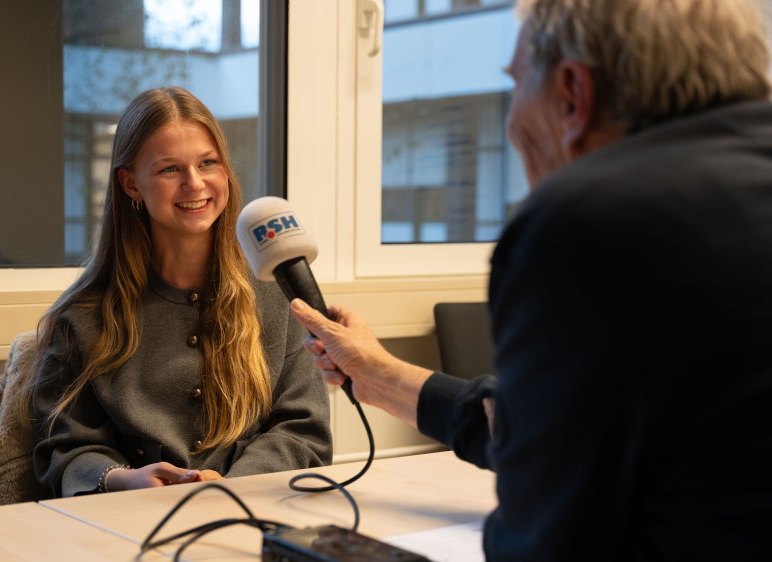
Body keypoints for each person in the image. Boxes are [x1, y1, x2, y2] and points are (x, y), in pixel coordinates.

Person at [290, 0, 772, 560]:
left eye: (515, 86)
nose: (512, 120)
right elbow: (558, 427)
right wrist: (378, 376)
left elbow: (546, 535)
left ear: (572, 93)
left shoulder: (589, 222)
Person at [21, 87, 331, 498]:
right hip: (132, 520)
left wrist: (229, 488)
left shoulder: (277, 291)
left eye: (208, 163)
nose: (195, 183)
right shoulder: (84, 316)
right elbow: (63, 450)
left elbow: (304, 431)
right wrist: (121, 478)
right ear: (131, 184)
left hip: (256, 511)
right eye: (170, 169)